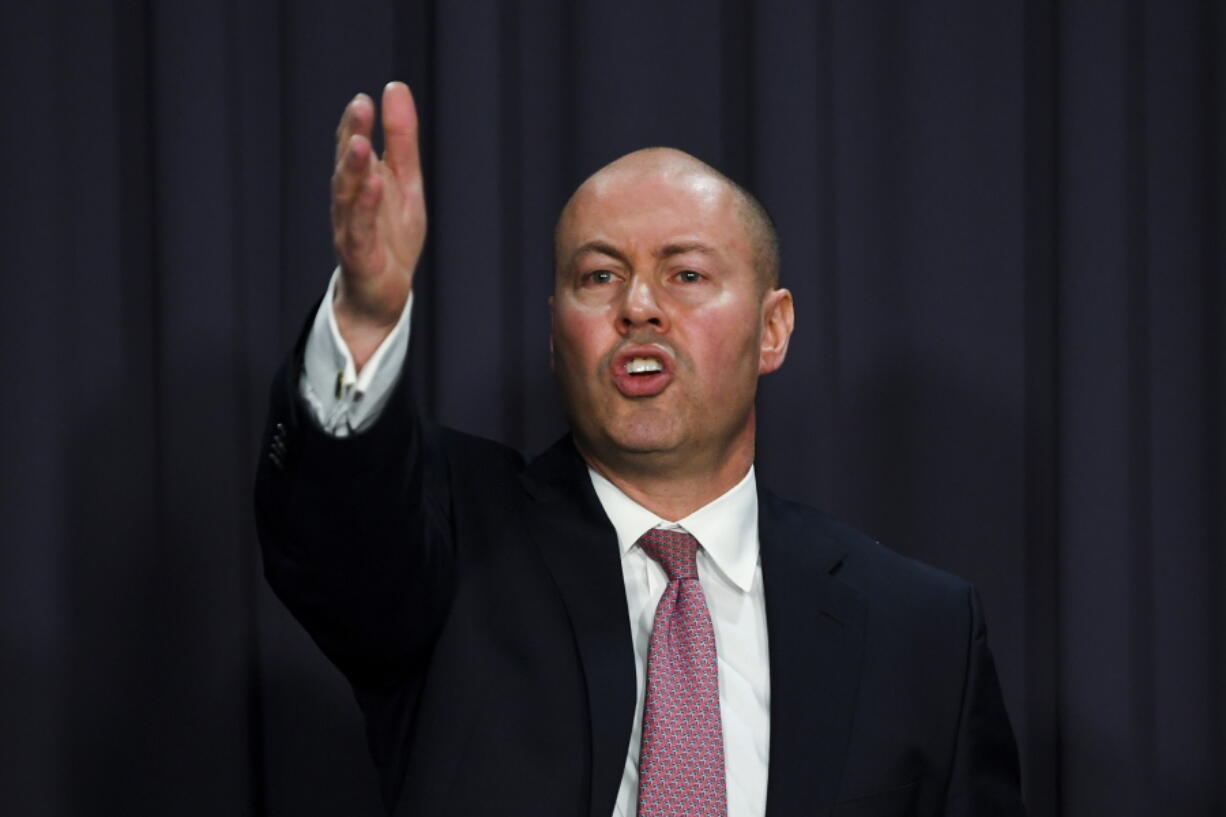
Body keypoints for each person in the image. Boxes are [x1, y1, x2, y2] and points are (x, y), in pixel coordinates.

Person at [255, 81, 1026, 817]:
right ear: (557, 333)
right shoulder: (455, 534)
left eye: (685, 273)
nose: (639, 306)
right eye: (599, 275)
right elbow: (339, 535)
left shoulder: (920, 630)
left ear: (772, 328)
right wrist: (364, 318)